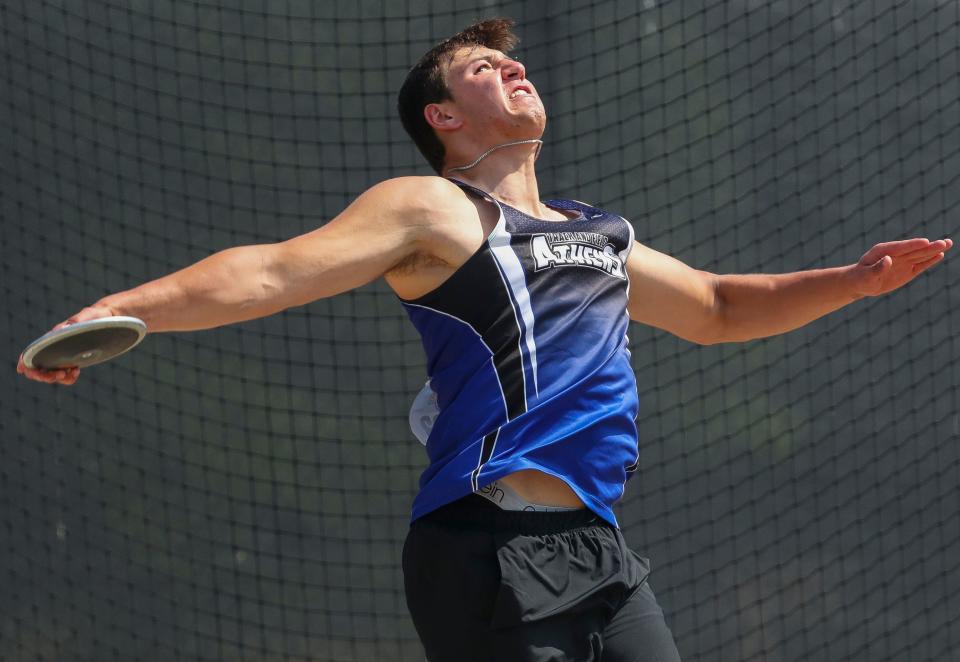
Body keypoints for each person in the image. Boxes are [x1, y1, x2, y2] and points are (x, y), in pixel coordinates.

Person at [16, 17, 951, 662]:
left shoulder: (599, 233)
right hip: (487, 548)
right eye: (482, 70)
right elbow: (269, 271)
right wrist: (120, 305)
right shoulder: (431, 207)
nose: (514, 70)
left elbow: (714, 307)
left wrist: (855, 280)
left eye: (516, 65)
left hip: (599, 548)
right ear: (444, 117)